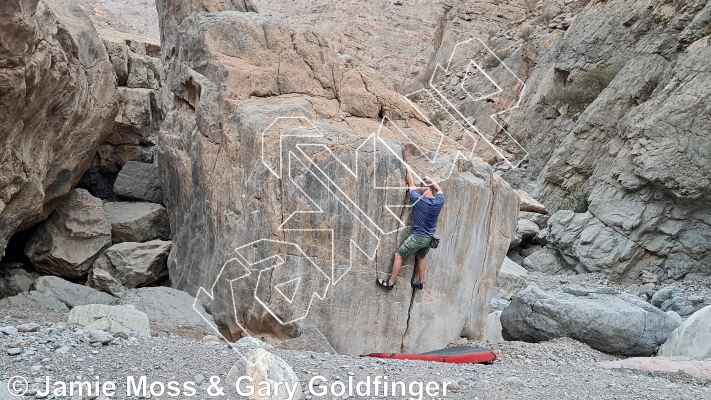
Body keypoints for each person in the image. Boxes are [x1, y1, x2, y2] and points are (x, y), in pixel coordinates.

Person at [377, 168, 444, 291]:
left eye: (421, 188)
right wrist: (431, 180)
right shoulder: (439, 201)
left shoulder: (419, 199)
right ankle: (420, 282)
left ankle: (391, 283)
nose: (419, 189)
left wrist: (408, 171)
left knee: (399, 255)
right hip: (430, 238)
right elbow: (439, 190)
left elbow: (411, 183)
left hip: (418, 237)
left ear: (424, 189)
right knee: (421, 257)